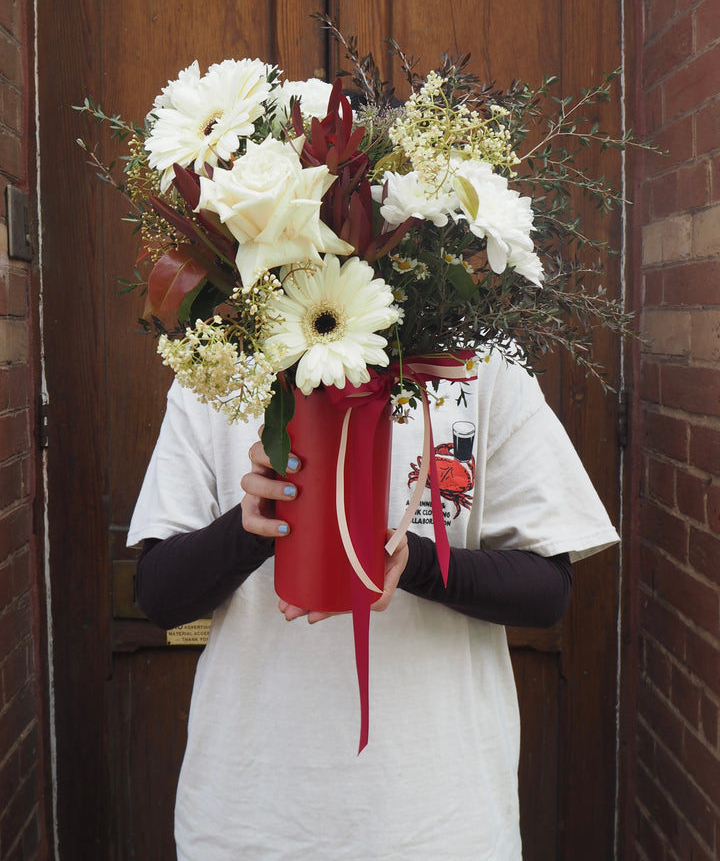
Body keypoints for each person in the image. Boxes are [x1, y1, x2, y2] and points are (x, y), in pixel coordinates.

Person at [129, 348, 618, 861]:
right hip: (251, 820)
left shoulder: (480, 360)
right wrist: (252, 524)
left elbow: (547, 590)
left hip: (440, 822)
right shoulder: (223, 359)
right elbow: (160, 595)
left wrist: (417, 564)